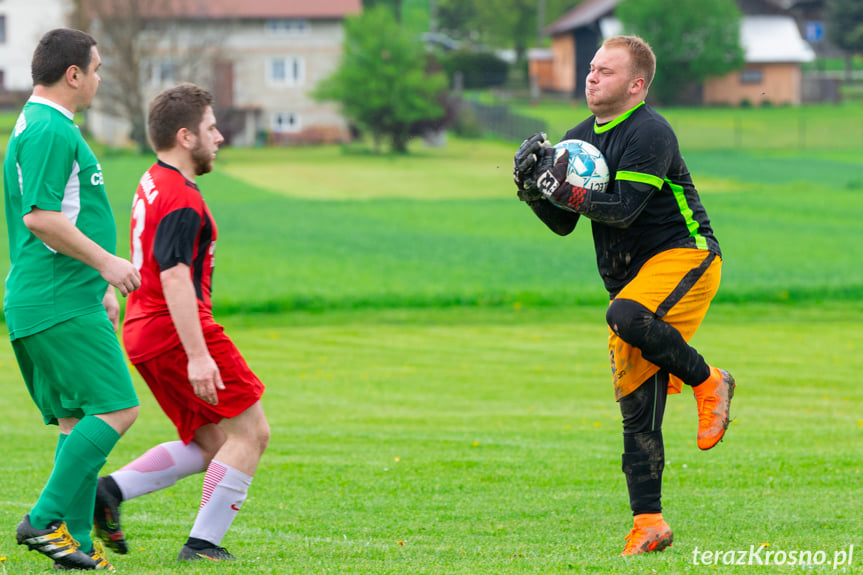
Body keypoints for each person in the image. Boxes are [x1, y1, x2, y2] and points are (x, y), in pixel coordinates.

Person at [513, 35, 735, 556]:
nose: (591, 77)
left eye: (605, 71)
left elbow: (623, 208)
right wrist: (531, 191)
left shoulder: (650, 131)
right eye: (591, 68)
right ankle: (649, 523)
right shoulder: (576, 138)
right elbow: (565, 224)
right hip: (634, 287)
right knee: (636, 410)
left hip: (686, 256)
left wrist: (559, 185)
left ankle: (709, 382)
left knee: (625, 314)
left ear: (636, 85)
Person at [93, 83, 270, 562]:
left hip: (144, 330)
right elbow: (174, 277)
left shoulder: (153, 179)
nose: (221, 138)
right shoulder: (182, 199)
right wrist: (198, 356)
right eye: (213, 128)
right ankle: (202, 546)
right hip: (175, 329)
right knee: (251, 433)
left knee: (213, 443)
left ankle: (107, 492)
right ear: (187, 136)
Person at [5, 28, 142, 571]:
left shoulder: (43, 125)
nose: (100, 78)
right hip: (56, 300)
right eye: (98, 67)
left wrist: (101, 284)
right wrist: (108, 263)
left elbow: (68, 212)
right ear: (73, 74)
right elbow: (41, 217)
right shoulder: (48, 129)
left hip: (60, 296)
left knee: (76, 421)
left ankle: (78, 544)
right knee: (117, 408)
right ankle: (43, 520)